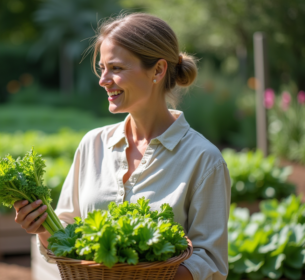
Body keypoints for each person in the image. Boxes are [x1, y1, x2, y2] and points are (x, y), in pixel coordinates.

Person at [14, 13, 231, 280]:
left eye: (116, 68)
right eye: (102, 68)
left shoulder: (204, 159)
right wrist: (41, 227)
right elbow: (65, 237)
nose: (103, 80)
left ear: (158, 70)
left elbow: (210, 261)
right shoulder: (92, 145)